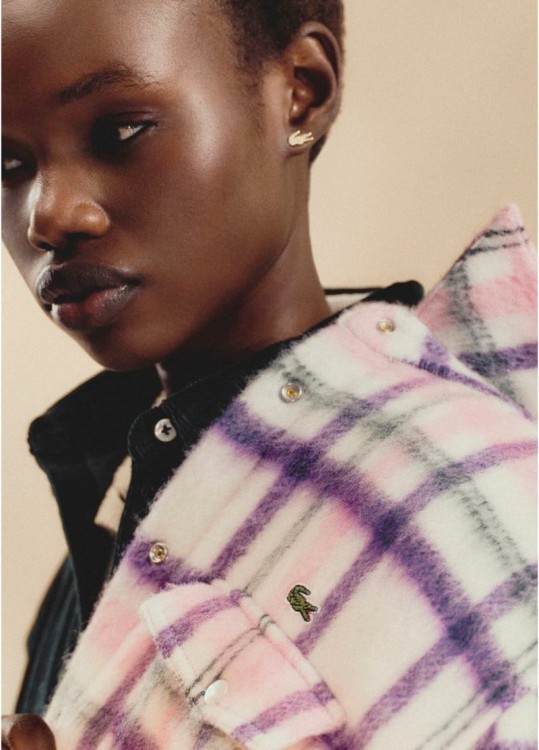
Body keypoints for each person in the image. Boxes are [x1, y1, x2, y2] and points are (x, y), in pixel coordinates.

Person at [2, 0, 536, 748]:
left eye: (120, 131)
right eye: (8, 166)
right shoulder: (108, 521)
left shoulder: (463, 497)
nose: (49, 216)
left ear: (300, 92)